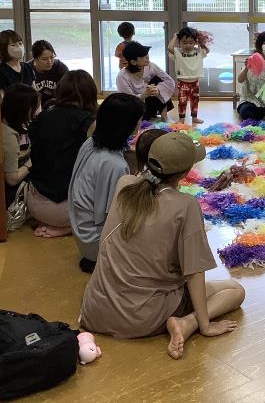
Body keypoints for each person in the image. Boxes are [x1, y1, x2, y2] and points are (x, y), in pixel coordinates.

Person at [80, 132, 246, 360]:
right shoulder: (185, 205)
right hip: (141, 317)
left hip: (95, 310)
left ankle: (185, 320)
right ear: (187, 172)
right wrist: (205, 326)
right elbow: (195, 272)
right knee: (235, 290)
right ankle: (187, 324)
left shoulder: (125, 184)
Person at [68, 93, 144, 274]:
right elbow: (112, 215)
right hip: (96, 241)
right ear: (127, 125)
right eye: (138, 121)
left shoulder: (91, 142)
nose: (140, 124)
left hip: (81, 231)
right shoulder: (114, 165)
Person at [28, 70, 98, 238]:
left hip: (35, 207)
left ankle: (59, 226)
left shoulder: (42, 117)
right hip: (71, 212)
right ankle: (67, 228)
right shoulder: (88, 121)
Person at [1, 84, 40, 207]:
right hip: (6, 195)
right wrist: (31, 163)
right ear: (23, 109)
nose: (34, 114)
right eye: (33, 109)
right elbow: (12, 180)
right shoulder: (8, 135)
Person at [117, 41, 174, 121]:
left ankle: (164, 117)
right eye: (143, 56)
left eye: (146, 54)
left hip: (148, 102)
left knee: (157, 80)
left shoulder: (150, 66)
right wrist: (144, 95)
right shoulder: (122, 76)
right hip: (134, 108)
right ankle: (143, 119)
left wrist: (157, 90)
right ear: (133, 62)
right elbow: (128, 101)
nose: (147, 57)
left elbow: (169, 81)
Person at [167, 26, 210, 124]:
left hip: (195, 82)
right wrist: (175, 37)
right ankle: (181, 118)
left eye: (191, 42)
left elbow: (207, 50)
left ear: (195, 42)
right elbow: (170, 48)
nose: (188, 45)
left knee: (195, 101)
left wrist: (200, 41)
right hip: (183, 83)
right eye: (184, 42)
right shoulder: (178, 52)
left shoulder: (198, 52)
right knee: (182, 102)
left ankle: (194, 117)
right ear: (179, 42)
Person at [236, 31, 265, 121]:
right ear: (259, 45)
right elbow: (240, 80)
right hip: (250, 100)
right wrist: (246, 67)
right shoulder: (252, 59)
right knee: (246, 111)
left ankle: (263, 115)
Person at [30, 40, 69, 108]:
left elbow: (69, 90)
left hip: (57, 106)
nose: (49, 62)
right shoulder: (27, 70)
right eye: (44, 59)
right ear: (35, 59)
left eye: (52, 57)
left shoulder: (60, 67)